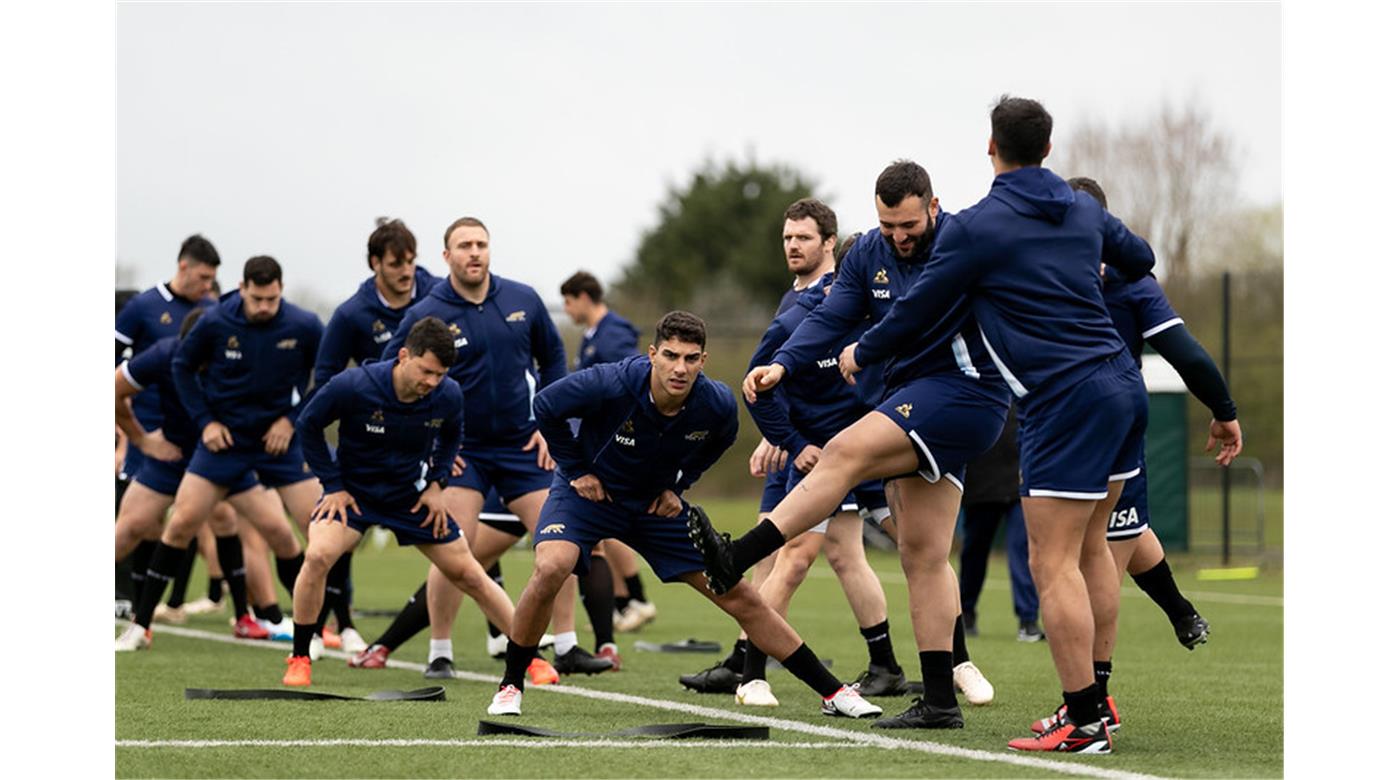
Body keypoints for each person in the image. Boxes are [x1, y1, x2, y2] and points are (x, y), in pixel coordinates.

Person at [839, 97, 1196, 753]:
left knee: (1052, 562)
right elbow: (1141, 256)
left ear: (990, 146)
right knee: (1092, 551)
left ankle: (1084, 720)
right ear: (1049, 148)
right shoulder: (1082, 209)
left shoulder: (980, 225)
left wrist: (863, 351)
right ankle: (1092, 707)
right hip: (1123, 385)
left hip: (1063, 400)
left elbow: (918, 309)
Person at [692, 162, 1006, 730]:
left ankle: (735, 557)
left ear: (933, 207)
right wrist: (782, 366)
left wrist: (863, 351)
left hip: (964, 394)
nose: (899, 236)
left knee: (841, 454)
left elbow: (913, 314)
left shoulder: (959, 240)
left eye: (909, 224)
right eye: (888, 226)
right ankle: (940, 701)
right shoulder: (866, 256)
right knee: (923, 555)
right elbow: (831, 314)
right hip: (914, 405)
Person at [487, 312, 881, 720]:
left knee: (740, 594)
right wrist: (576, 470)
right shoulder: (611, 381)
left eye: (691, 358)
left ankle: (834, 692)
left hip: (653, 508)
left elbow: (721, 440)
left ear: (703, 361)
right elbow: (545, 405)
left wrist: (678, 485)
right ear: (652, 354)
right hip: (589, 497)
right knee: (552, 565)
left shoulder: (716, 403)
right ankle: (510, 685)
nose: (680, 368)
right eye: (671, 356)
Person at [1019, 177, 1237, 734]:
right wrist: (1223, 409)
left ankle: (1091, 704)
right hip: (1116, 415)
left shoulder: (1043, 272)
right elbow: (1187, 353)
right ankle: (1156, 635)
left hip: (1065, 419)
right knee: (1111, 540)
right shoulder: (1128, 277)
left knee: (1080, 558)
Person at [683, 198, 910, 709]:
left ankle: (751, 669)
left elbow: (850, 384)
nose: (792, 245)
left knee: (810, 554)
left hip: (833, 451)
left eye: (803, 237)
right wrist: (780, 437)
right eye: (787, 237)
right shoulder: (794, 304)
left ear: (829, 243)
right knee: (798, 553)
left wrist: (803, 440)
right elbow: (772, 383)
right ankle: (753, 658)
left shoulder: (846, 299)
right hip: (799, 449)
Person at [371, 217, 611, 678]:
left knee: (561, 538)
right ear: (447, 257)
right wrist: (428, 441)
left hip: (525, 445)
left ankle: (566, 645)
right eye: (464, 245)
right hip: (463, 452)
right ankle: (440, 652)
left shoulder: (523, 299)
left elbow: (552, 359)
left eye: (481, 243)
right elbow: (392, 375)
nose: (474, 252)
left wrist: (551, 424)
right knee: (453, 547)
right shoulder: (427, 311)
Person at [282, 317, 557, 687]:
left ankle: (531, 657)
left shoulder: (448, 394)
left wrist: (437, 484)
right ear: (403, 356)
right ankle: (300, 657)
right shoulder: (353, 385)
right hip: (353, 496)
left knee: (470, 573)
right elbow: (308, 425)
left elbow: (453, 435)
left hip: (410, 499)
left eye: (440, 374)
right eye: (426, 371)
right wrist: (332, 485)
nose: (432, 382)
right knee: (317, 556)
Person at [114, 300, 309, 651]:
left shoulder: (243, 354)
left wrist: (281, 427)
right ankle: (141, 627)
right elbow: (115, 388)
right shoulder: (163, 355)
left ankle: (289, 621)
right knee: (130, 530)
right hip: (172, 457)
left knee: (277, 531)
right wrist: (142, 440)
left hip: (227, 457)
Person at [307, 217, 441, 655]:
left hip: (425, 438)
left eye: (411, 261)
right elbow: (325, 378)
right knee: (337, 535)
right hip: (369, 442)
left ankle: (500, 637)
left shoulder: (438, 296)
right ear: (375, 264)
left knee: (459, 530)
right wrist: (362, 400)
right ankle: (335, 625)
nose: (406, 271)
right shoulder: (352, 314)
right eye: (396, 263)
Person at [560, 270, 653, 645]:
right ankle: (623, 601)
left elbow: (629, 384)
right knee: (601, 525)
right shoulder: (592, 335)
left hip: (613, 445)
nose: (567, 310)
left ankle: (636, 599)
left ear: (584, 297)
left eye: (568, 302)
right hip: (595, 441)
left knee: (605, 521)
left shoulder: (613, 334)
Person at [957, 404, 1044, 642]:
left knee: (1022, 548)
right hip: (981, 487)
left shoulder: (1023, 391)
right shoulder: (977, 394)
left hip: (1019, 485)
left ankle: (1028, 620)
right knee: (975, 552)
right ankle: (965, 613)